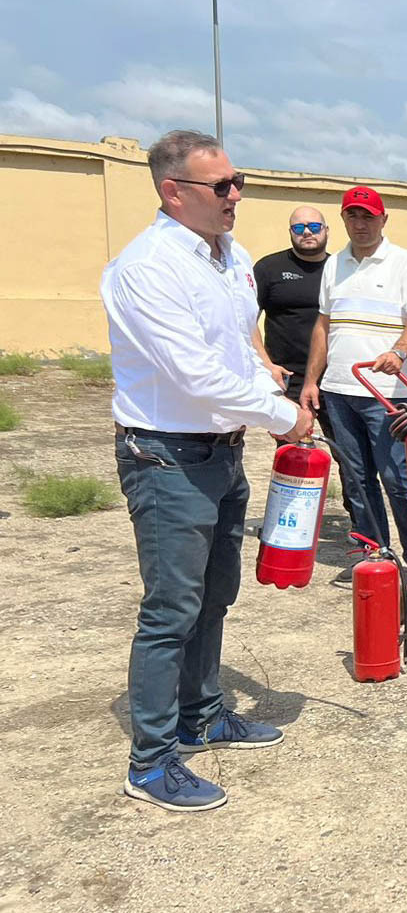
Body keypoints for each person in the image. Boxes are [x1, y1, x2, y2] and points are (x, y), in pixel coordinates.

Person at [103, 129, 313, 812]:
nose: (235, 196)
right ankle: (153, 757)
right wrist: (283, 417)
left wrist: (272, 382)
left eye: (238, 180)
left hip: (222, 452)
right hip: (166, 455)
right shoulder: (148, 267)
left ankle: (204, 712)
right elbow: (192, 374)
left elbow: (237, 346)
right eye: (220, 186)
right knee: (171, 609)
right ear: (174, 191)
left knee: (216, 594)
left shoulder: (231, 257)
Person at [300, 186, 407, 580]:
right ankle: (380, 559)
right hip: (339, 392)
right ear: (343, 220)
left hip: (386, 396)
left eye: (368, 217)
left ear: (383, 220)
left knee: (397, 481)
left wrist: (400, 351)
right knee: (357, 481)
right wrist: (311, 381)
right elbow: (323, 326)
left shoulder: (404, 263)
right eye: (353, 216)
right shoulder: (334, 265)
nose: (361, 224)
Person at [254, 206, 352, 518]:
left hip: (335, 379)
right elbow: (244, 321)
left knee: (349, 455)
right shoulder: (269, 268)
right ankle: (292, 523)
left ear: (326, 230)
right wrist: (267, 366)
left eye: (313, 226)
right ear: (290, 233)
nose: (306, 232)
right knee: (292, 453)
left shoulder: (342, 269)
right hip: (288, 378)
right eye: (298, 228)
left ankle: (361, 524)